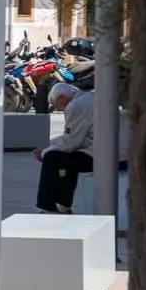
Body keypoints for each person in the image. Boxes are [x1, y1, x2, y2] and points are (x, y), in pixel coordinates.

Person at [35, 77, 95, 213]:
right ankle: (63, 205)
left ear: (63, 98)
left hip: (103, 155)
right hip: (109, 151)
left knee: (52, 158)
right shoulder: (87, 99)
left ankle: (47, 206)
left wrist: (44, 153)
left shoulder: (76, 106)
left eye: (56, 105)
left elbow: (71, 143)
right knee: (67, 159)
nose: (59, 110)